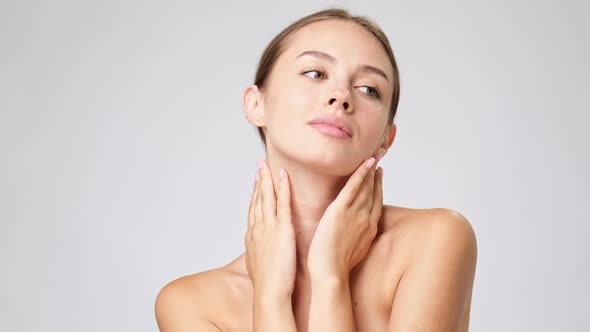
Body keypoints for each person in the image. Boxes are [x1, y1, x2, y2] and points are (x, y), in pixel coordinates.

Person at [155, 8, 477, 332]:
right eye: (315, 73)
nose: (341, 97)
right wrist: (270, 297)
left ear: (385, 139)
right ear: (257, 104)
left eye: (369, 89)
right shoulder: (191, 305)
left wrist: (330, 276)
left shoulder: (436, 240)